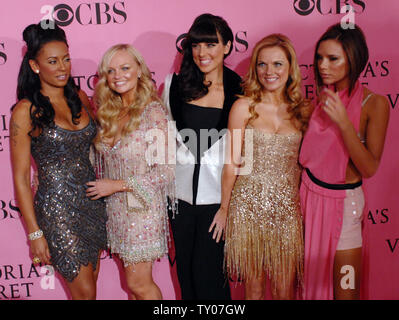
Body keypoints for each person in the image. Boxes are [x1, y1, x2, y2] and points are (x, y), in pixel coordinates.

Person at [10, 22, 107, 300]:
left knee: (90, 289)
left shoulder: (78, 97)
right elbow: (20, 178)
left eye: (66, 59)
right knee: (85, 293)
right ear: (35, 65)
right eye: (53, 61)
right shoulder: (25, 110)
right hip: (57, 210)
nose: (63, 67)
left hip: (91, 204)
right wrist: (34, 233)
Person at [299, 23, 390, 300]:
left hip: (345, 206)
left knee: (346, 289)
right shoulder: (315, 103)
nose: (323, 66)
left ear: (354, 59)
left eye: (333, 58)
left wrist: (344, 124)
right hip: (309, 200)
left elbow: (369, 167)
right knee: (309, 288)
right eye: (319, 57)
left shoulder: (375, 104)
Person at [221, 34, 312, 300]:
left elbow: (310, 165)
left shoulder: (303, 110)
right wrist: (225, 209)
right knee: (254, 289)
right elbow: (231, 164)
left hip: (287, 208)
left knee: (285, 290)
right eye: (262, 64)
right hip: (247, 205)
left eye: (277, 64)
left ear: (290, 67)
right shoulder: (243, 107)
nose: (269, 72)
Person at [162, 13, 242, 300]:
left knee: (211, 280)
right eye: (196, 45)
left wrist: (227, 207)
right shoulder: (173, 86)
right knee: (186, 278)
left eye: (210, 44)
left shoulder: (241, 91)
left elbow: (244, 153)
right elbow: (164, 145)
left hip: (217, 204)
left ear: (227, 46)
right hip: (179, 201)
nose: (201, 53)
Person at [86, 44, 174, 300]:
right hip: (115, 211)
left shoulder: (153, 112)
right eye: (111, 71)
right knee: (132, 287)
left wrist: (116, 185)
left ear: (139, 71)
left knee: (139, 285)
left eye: (125, 68)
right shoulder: (109, 113)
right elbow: (96, 159)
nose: (118, 76)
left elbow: (166, 171)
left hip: (142, 209)